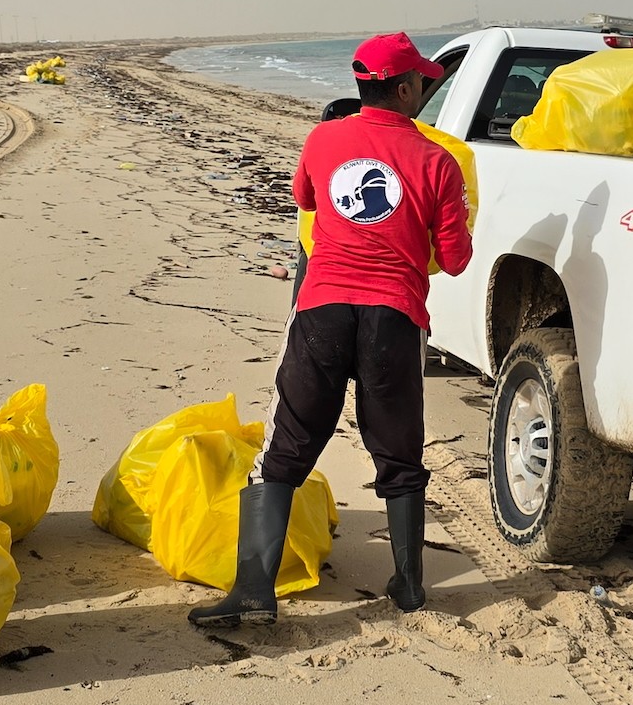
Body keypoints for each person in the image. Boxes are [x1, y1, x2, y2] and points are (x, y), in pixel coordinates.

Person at [190, 34, 474, 630]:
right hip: (394, 320)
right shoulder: (439, 161)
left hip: (322, 310)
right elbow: (454, 260)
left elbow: (306, 198)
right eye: (422, 82)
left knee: (286, 447)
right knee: (399, 452)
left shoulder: (324, 138)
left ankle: (253, 590)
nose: (425, 90)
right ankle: (409, 584)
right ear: (403, 89)